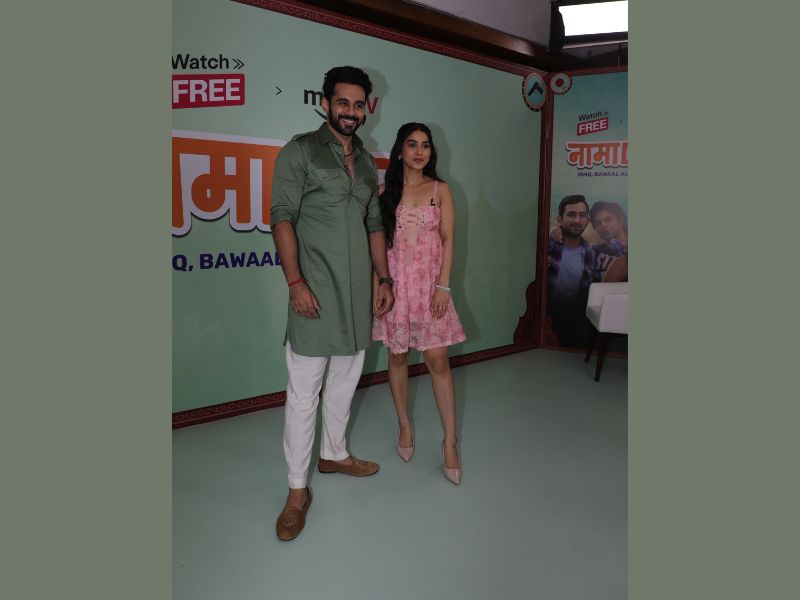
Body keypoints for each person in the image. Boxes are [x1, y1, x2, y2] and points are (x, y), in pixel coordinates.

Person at [270, 66, 395, 541]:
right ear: (325, 103)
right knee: (304, 395)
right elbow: (281, 216)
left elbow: (374, 224)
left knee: (345, 380)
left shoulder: (366, 161)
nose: (351, 112)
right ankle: (296, 491)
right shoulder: (299, 151)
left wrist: (383, 278)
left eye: (359, 105)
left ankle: (335, 454)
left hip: (358, 292)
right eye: (343, 102)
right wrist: (295, 282)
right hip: (314, 291)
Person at [372, 123, 466, 485]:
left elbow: (449, 239)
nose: (419, 151)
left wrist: (444, 286)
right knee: (397, 356)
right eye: (412, 145)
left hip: (430, 288)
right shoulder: (384, 193)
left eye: (425, 145)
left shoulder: (441, 190)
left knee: (437, 359)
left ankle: (450, 442)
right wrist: (378, 287)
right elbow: (378, 246)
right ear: (400, 150)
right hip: (396, 287)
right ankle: (404, 424)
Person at [546, 195, 597, 347]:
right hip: (544, 320)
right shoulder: (547, 245)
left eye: (582, 215)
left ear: (587, 221)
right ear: (560, 220)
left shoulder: (591, 253)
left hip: (575, 326)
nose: (577, 220)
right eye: (571, 214)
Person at [589, 201, 628, 281]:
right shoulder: (594, 251)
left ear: (621, 220)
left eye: (608, 220)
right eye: (598, 223)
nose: (603, 225)